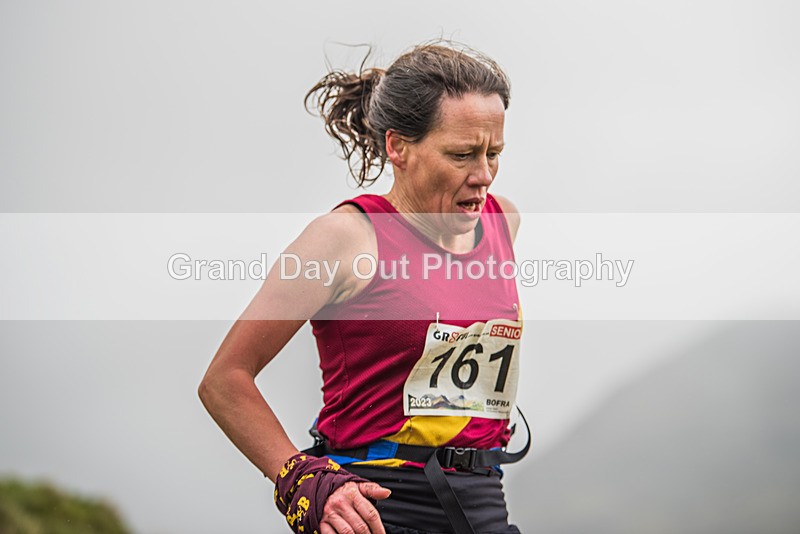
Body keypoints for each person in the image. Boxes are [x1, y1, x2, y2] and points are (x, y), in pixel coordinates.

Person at [199, 41, 525, 534]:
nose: (482, 175)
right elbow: (225, 380)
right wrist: (296, 475)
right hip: (373, 508)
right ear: (398, 147)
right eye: (461, 155)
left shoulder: (503, 221)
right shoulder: (343, 238)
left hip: (482, 504)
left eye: (493, 153)